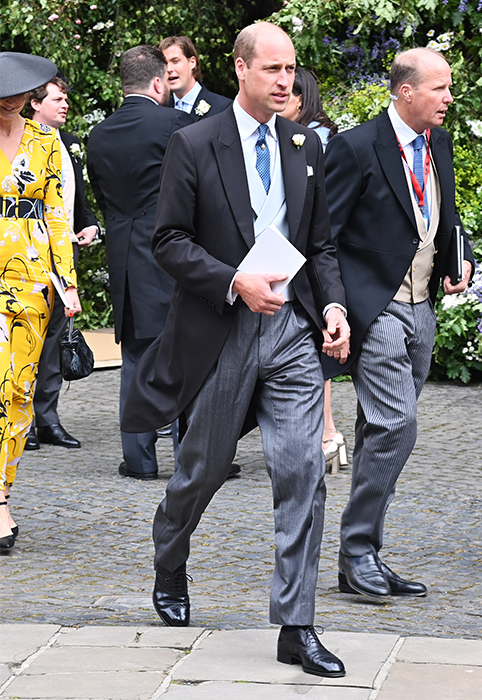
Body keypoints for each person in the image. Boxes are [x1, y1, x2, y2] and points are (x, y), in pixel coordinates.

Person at [122, 22, 350, 678]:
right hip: (220, 330)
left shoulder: (306, 144)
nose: (285, 80)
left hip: (292, 333)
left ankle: (297, 624)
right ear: (241, 68)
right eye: (272, 69)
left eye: (291, 69)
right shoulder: (193, 143)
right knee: (199, 471)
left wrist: (332, 305)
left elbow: (322, 245)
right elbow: (166, 239)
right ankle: (171, 556)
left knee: (302, 472)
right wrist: (232, 281)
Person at [323, 47, 474, 598]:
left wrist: (462, 259)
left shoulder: (439, 143)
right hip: (376, 308)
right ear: (406, 91)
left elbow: (444, 215)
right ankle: (357, 550)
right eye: (440, 88)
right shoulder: (356, 147)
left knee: (378, 431)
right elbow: (325, 239)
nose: (449, 99)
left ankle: (362, 556)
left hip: (423, 307)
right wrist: (338, 307)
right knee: (396, 426)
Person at [86, 46, 192, 481]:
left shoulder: (100, 135)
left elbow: (103, 196)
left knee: (134, 356)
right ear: (157, 83)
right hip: (171, 252)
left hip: (125, 255)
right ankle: (192, 459)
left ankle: (139, 459)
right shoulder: (177, 125)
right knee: (187, 354)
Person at [0, 52, 81, 550]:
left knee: (18, 390)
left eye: (18, 92)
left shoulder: (46, 140)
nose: (11, 100)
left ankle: (2, 494)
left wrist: (68, 282)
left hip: (31, 278)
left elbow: (56, 213)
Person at [23, 76, 99, 451]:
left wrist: (90, 224)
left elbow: (75, 198)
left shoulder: (70, 144)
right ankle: (24, 422)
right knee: (28, 338)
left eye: (66, 98)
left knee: (57, 338)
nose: (65, 104)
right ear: (35, 103)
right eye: (57, 98)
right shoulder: (19, 141)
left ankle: (48, 418)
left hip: (65, 253)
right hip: (27, 254)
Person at [281, 67, 347, 471]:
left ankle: (324, 435)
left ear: (302, 101)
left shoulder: (312, 141)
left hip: (310, 261)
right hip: (303, 259)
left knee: (313, 351)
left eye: (289, 93)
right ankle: (328, 433)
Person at [158, 35, 232, 120]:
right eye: (164, 64)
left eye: (175, 61)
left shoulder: (223, 108)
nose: (169, 69)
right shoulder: (161, 110)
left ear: (192, 63)